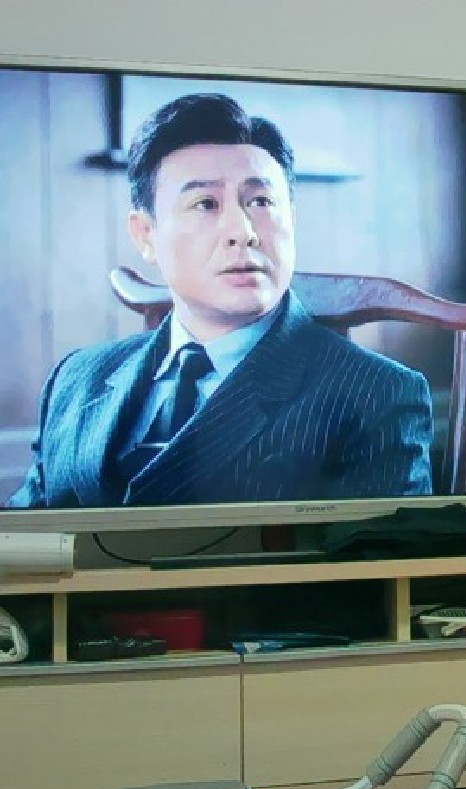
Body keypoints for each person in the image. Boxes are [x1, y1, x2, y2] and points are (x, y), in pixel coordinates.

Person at [7, 93, 433, 509]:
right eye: (205, 204)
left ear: (292, 220)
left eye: (261, 201)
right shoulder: (76, 378)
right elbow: (26, 540)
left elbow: (375, 556)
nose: (242, 231)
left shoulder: (377, 393)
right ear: (145, 235)